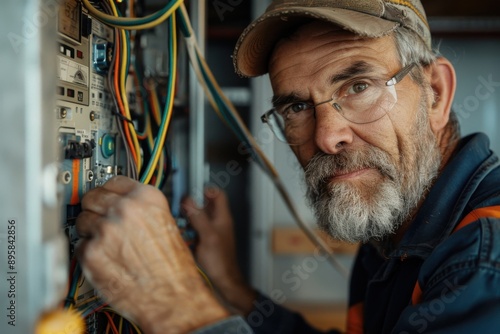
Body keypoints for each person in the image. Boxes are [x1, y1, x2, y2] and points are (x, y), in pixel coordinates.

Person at [76, 0, 500, 333]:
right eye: (297, 106)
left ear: (436, 93)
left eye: (358, 86)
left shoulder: (482, 264)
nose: (326, 136)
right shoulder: (395, 229)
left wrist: (173, 303)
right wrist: (233, 290)